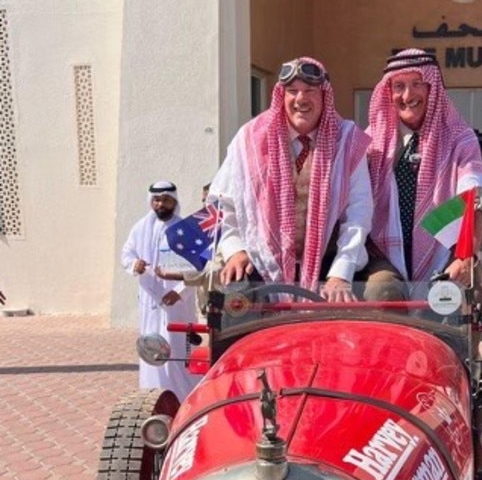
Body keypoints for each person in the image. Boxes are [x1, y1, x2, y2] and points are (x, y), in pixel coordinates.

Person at [207, 56, 405, 302]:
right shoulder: (249, 139)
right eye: (292, 91)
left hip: (330, 257)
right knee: (232, 293)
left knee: (384, 288)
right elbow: (222, 204)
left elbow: (358, 214)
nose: (300, 99)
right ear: (282, 95)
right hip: (264, 258)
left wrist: (340, 274)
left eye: (310, 90)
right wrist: (235, 250)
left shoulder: (347, 141)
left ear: (324, 96)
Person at [367, 48, 482, 298]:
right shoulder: (372, 141)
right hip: (385, 256)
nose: (407, 95)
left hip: (445, 256)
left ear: (431, 88)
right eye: (399, 86)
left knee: (447, 313)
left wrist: (463, 257)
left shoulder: (460, 139)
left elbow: (475, 202)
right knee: (380, 292)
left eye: (417, 84)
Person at [120, 180, 197, 401]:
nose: (160, 204)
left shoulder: (185, 230)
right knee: (150, 348)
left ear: (174, 201)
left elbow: (197, 267)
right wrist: (134, 265)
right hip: (150, 301)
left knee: (176, 350)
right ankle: (153, 397)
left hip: (177, 303)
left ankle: (183, 399)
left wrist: (179, 291)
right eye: (156, 200)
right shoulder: (140, 228)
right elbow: (127, 254)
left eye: (165, 199)